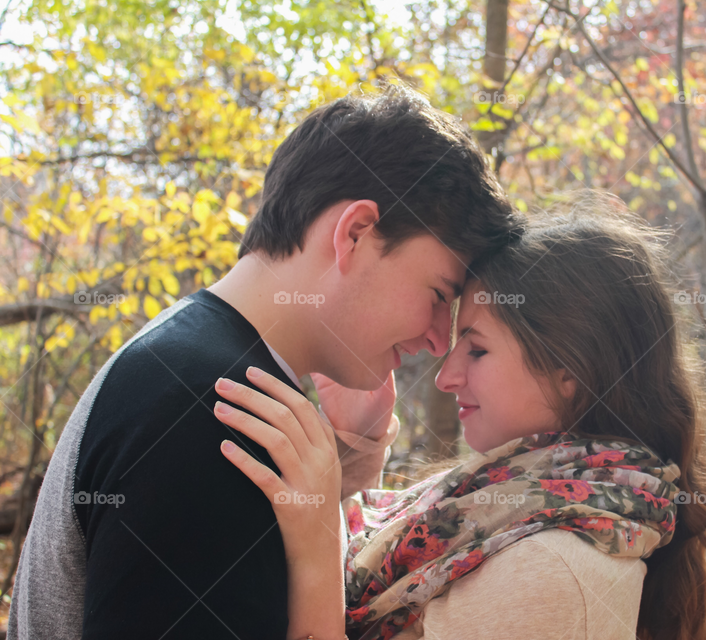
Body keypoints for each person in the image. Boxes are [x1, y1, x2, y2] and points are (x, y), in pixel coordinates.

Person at [8, 85, 523, 639]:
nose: (435, 339)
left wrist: (348, 461)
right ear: (355, 234)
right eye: (439, 293)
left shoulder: (195, 357)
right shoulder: (217, 412)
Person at [215, 195, 706, 640]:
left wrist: (315, 551)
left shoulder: (549, 575)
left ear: (570, 371)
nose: (446, 377)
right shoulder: (513, 505)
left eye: (478, 350)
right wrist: (360, 448)